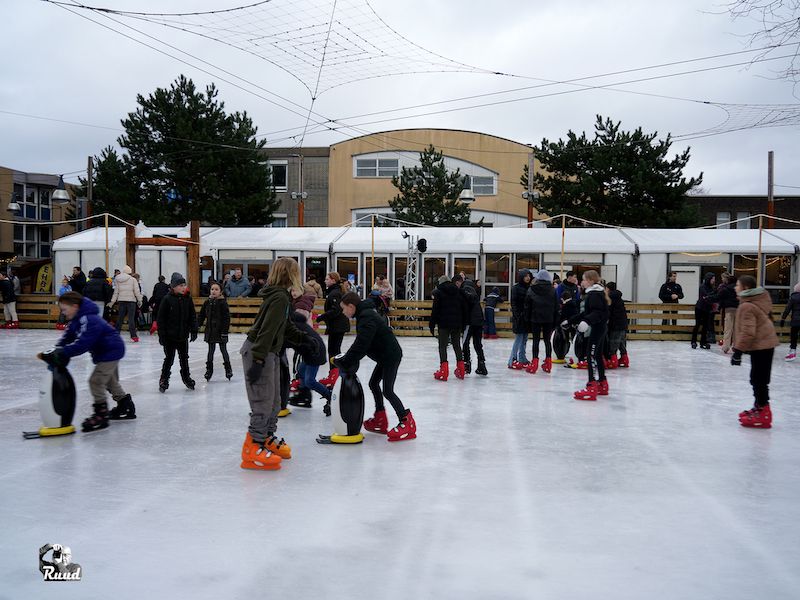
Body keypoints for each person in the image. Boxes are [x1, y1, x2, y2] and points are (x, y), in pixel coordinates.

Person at [240, 257, 309, 470]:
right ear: (290, 274)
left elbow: (285, 326)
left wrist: (304, 340)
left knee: (276, 401)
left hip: (269, 352)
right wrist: (259, 360)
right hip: (260, 351)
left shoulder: (282, 297)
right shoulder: (279, 298)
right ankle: (252, 447)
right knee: (263, 402)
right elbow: (267, 330)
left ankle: (266, 437)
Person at [42, 291, 135, 430]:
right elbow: (68, 337)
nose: (63, 313)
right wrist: (57, 349)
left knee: (96, 381)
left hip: (111, 351)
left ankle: (101, 415)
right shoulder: (76, 320)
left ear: (74, 306)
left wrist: (64, 353)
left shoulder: (90, 319)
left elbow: (84, 343)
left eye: (64, 309)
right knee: (109, 381)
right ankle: (125, 406)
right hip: (104, 352)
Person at [338, 291, 416, 442]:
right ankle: (380, 418)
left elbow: (362, 344)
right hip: (384, 356)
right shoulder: (364, 315)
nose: (343, 312)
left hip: (390, 356)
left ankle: (407, 422)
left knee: (388, 390)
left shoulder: (366, 317)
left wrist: (347, 360)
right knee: (373, 383)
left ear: (351, 306)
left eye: (343, 308)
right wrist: (348, 358)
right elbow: (362, 344)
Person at [732, 275, 780, 428]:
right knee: (759, 378)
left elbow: (748, 332)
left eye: (737, 285)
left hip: (762, 345)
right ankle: (760, 407)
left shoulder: (747, 306)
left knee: (758, 379)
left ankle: (764, 411)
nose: (735, 287)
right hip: (764, 345)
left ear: (745, 288)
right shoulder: (755, 301)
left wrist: (738, 352)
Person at [568, 270, 610, 401]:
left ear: (591, 281)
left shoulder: (595, 295)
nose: (582, 282)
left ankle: (592, 386)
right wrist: (569, 321)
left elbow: (598, 313)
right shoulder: (594, 293)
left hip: (597, 328)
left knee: (590, 355)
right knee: (596, 355)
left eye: (584, 279)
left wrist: (587, 322)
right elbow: (586, 313)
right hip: (599, 327)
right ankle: (602, 383)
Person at [156, 272, 198, 392]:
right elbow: (161, 319)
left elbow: (192, 315)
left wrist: (194, 329)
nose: (183, 287)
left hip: (183, 336)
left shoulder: (187, 299)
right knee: (169, 359)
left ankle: (186, 377)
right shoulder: (167, 299)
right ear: (173, 287)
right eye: (180, 285)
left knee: (184, 358)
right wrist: (162, 335)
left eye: (184, 285)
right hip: (170, 337)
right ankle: (164, 379)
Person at [286, 310, 330, 411]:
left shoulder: (295, 326)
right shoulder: (298, 324)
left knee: (310, 381)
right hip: (310, 352)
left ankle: (329, 396)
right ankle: (304, 395)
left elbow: (292, 340)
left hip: (315, 354)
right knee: (301, 371)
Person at [315, 272, 350, 388]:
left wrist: (321, 317)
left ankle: (334, 376)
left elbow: (336, 310)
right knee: (334, 350)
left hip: (337, 326)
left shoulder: (335, 293)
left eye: (327, 279)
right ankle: (333, 375)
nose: (325, 281)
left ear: (333, 280)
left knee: (333, 351)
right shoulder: (334, 291)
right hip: (337, 326)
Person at [429, 274, 466, 381]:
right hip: (457, 324)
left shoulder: (439, 293)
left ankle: (444, 371)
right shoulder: (458, 291)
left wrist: (432, 325)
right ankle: (461, 369)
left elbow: (435, 310)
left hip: (444, 324)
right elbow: (463, 309)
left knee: (442, 346)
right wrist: (463, 324)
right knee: (456, 345)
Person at [524, 269, 559, 374]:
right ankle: (548, 363)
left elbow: (527, 306)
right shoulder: (553, 290)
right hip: (548, 319)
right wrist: (555, 321)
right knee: (547, 341)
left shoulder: (532, 289)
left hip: (535, 318)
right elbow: (556, 307)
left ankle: (534, 363)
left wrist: (527, 319)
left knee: (536, 341)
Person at [198, 282, 232, 381]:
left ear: (220, 292)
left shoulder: (223, 303)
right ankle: (209, 370)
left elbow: (226, 319)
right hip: (210, 330)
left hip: (220, 331)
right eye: (212, 289)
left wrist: (224, 332)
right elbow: (202, 315)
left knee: (223, 350)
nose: (214, 291)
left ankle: (228, 369)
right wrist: (197, 325)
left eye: (216, 289)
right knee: (210, 351)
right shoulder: (207, 302)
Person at [456, 275, 487, 376]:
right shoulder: (474, 292)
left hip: (469, 322)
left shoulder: (464, 292)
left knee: (465, 343)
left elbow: (464, 308)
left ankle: (466, 364)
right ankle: (481, 365)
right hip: (479, 322)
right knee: (478, 344)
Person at [109, 265, 142, 342]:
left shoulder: (118, 279)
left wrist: (112, 301)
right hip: (131, 301)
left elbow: (116, 292)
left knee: (120, 318)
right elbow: (136, 291)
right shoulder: (133, 280)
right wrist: (140, 300)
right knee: (131, 319)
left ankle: (116, 334)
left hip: (121, 300)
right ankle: (133, 336)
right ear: (130, 272)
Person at [508, 270, 532, 369]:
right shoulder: (516, 288)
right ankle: (512, 360)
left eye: (529, 276)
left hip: (527, 318)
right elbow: (514, 304)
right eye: (526, 276)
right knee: (518, 339)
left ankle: (522, 358)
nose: (528, 278)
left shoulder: (530, 288)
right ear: (521, 276)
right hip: (519, 318)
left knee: (525, 339)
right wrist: (517, 316)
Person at [605, 281, 629, 368]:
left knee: (613, 343)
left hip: (615, 324)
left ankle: (613, 361)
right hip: (623, 324)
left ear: (608, 289)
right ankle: (624, 359)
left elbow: (609, 312)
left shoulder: (610, 299)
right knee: (621, 342)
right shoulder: (619, 298)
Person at [691, 272, 717, 349]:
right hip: (700, 308)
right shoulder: (702, 287)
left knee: (705, 326)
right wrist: (713, 294)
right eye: (713, 279)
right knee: (698, 324)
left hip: (707, 309)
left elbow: (712, 297)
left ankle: (703, 342)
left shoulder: (711, 287)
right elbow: (706, 296)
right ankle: (693, 341)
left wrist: (713, 295)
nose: (714, 280)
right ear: (709, 279)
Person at [716, 273, 739, 353]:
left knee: (728, 329)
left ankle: (726, 347)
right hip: (738, 310)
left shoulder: (725, 288)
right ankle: (735, 347)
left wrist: (718, 308)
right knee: (736, 329)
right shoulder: (738, 289)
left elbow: (719, 298)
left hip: (728, 310)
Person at [780, 282, 800, 361]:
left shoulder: (793, 297)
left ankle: (792, 353)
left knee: (794, 337)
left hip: (795, 321)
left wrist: (783, 318)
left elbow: (787, 309)